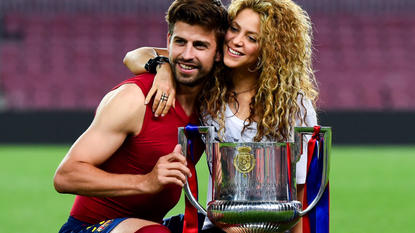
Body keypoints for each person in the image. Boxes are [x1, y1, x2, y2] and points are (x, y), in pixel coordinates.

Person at [123, 0, 318, 232]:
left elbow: (300, 189)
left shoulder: (292, 103)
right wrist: (162, 68)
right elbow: (133, 56)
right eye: (234, 29)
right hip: (219, 226)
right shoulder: (209, 81)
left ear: (271, 48)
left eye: (251, 38)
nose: (236, 40)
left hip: (272, 227)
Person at [53, 0, 228, 233]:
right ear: (168, 41)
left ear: (218, 53)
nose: (187, 54)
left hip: (152, 225)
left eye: (200, 45)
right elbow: (65, 176)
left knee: (229, 223)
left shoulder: (212, 100)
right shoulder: (135, 99)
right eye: (180, 42)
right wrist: (147, 181)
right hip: (89, 227)